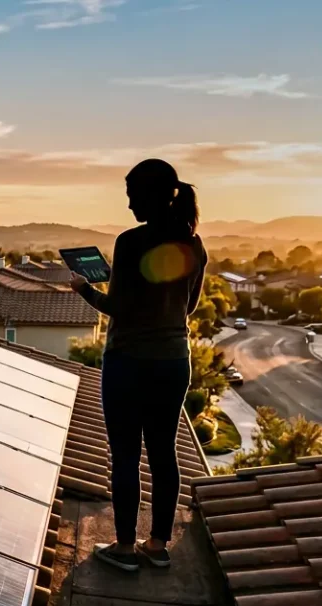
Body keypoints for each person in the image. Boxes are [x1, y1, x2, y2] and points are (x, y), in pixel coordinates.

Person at [70, 158, 207, 572]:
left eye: (132, 196)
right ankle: (158, 545)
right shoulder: (194, 246)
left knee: (126, 455)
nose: (129, 205)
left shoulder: (130, 243)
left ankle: (125, 548)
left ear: (148, 196)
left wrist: (86, 291)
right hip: (173, 363)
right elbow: (191, 306)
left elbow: (119, 308)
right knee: (164, 454)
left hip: (129, 362)